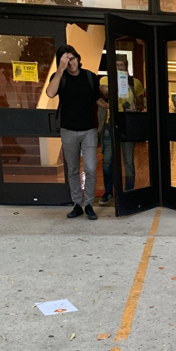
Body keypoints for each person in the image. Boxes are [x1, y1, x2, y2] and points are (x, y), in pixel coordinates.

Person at [46, 44, 107, 220]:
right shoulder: (59, 77)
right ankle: (77, 204)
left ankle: (89, 204)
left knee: (90, 168)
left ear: (78, 58)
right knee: (72, 169)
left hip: (89, 130)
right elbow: (50, 93)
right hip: (68, 130)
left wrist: (111, 107)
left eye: (72, 58)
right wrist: (60, 70)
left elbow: (97, 99)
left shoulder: (90, 77)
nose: (70, 63)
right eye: (65, 60)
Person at [98, 55, 145, 203]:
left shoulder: (135, 83)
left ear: (126, 66)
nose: (119, 67)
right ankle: (108, 191)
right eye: (116, 65)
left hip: (127, 124)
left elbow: (140, 103)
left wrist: (135, 108)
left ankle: (129, 191)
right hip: (110, 123)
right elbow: (106, 93)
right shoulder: (105, 80)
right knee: (108, 160)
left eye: (121, 65)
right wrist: (118, 81)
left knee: (128, 160)